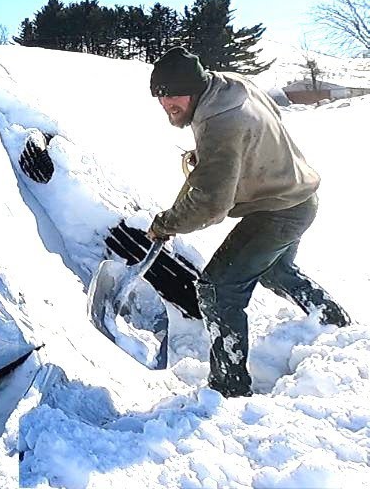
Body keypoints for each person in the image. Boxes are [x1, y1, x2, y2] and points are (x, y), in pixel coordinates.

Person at [146, 46, 351, 397]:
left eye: (174, 95)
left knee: (217, 288)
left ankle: (228, 389)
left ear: (195, 89)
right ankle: (336, 325)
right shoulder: (231, 85)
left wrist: (165, 224)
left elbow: (211, 205)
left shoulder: (220, 124)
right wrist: (221, 157)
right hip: (299, 196)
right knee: (273, 270)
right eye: (160, 96)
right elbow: (264, 121)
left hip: (278, 210)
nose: (167, 104)